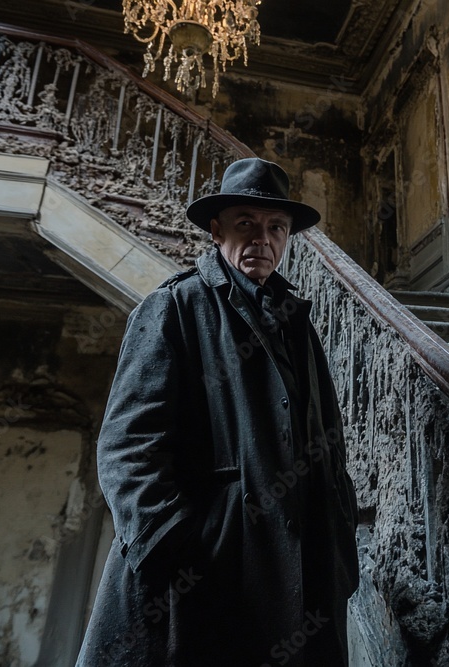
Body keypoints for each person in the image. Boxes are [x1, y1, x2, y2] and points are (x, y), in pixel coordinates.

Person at [76, 158, 360, 666]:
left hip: (300, 574)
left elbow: (328, 443)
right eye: (245, 223)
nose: (262, 238)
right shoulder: (176, 307)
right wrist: (176, 551)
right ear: (216, 230)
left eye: (276, 227)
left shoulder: (298, 323)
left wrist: (338, 544)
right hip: (208, 575)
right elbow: (127, 447)